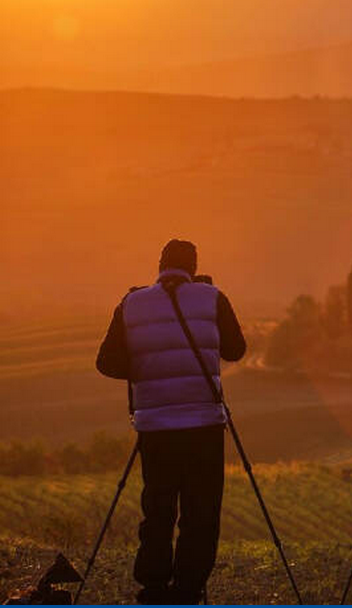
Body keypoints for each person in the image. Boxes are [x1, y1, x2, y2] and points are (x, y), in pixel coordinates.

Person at [95, 239, 247, 604]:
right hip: (203, 424)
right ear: (193, 268)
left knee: (158, 506)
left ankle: (152, 585)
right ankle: (188, 588)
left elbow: (106, 362)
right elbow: (236, 350)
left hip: (155, 425)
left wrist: (148, 369)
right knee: (201, 510)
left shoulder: (131, 303)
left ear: (159, 266)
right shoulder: (213, 298)